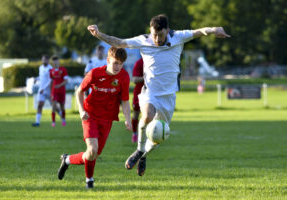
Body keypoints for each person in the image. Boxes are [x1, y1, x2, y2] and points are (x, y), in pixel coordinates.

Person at [87, 14, 230, 176]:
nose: (156, 38)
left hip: (168, 97)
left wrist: (214, 30)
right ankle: (139, 150)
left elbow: (199, 31)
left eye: (160, 35)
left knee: (158, 137)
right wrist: (99, 34)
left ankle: (143, 155)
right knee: (147, 116)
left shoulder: (178, 37)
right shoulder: (143, 40)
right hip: (150, 93)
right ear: (150, 30)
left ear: (167, 31)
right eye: (154, 34)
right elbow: (118, 42)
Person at [57, 47, 132, 189]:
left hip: (107, 119)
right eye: (115, 63)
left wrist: (127, 119)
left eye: (121, 64)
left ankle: (67, 160)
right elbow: (79, 91)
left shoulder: (124, 77)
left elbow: (125, 101)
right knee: (92, 150)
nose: (118, 67)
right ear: (108, 60)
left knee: (93, 154)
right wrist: (81, 111)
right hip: (90, 115)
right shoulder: (95, 74)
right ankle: (89, 181)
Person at [32, 55, 53, 127]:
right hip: (41, 90)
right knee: (39, 106)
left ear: (48, 60)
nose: (44, 61)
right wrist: (36, 79)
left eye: (46, 60)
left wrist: (44, 88)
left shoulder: (50, 69)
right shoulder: (40, 68)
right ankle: (37, 122)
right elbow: (41, 77)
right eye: (43, 60)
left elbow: (50, 80)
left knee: (54, 106)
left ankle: (63, 119)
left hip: (48, 90)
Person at [50, 56, 68, 127]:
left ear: (58, 62)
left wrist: (59, 85)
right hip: (54, 91)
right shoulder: (51, 71)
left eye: (56, 61)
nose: (55, 62)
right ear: (52, 62)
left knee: (62, 107)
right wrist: (51, 92)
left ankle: (63, 120)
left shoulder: (63, 69)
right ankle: (53, 122)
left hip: (62, 91)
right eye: (54, 61)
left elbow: (66, 81)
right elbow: (51, 82)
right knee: (53, 106)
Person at [131, 58, 144, 143]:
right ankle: (135, 133)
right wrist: (146, 77)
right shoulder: (139, 62)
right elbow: (134, 79)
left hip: (151, 92)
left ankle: (147, 135)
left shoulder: (155, 61)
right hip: (139, 93)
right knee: (136, 114)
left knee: (150, 115)